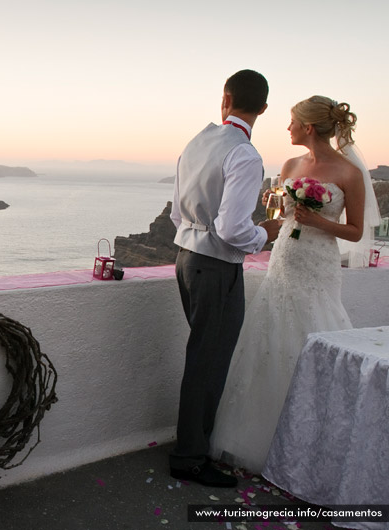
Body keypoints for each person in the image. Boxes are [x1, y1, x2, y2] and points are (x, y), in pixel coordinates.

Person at [209, 95, 377, 475]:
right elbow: (282, 218)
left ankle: (314, 440)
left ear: (309, 127)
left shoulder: (348, 172)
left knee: (314, 336)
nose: (287, 127)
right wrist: (278, 204)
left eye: (293, 121)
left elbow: (355, 232)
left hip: (318, 266)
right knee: (269, 340)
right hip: (284, 258)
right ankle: (262, 440)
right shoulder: (289, 164)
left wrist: (319, 223)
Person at [169, 69, 281, 488]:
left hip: (185, 258)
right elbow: (234, 230)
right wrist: (264, 234)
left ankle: (191, 445)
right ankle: (189, 457)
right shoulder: (246, 155)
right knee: (210, 360)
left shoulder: (197, 142)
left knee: (202, 355)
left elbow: (178, 213)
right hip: (217, 267)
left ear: (225, 99)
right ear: (263, 108)